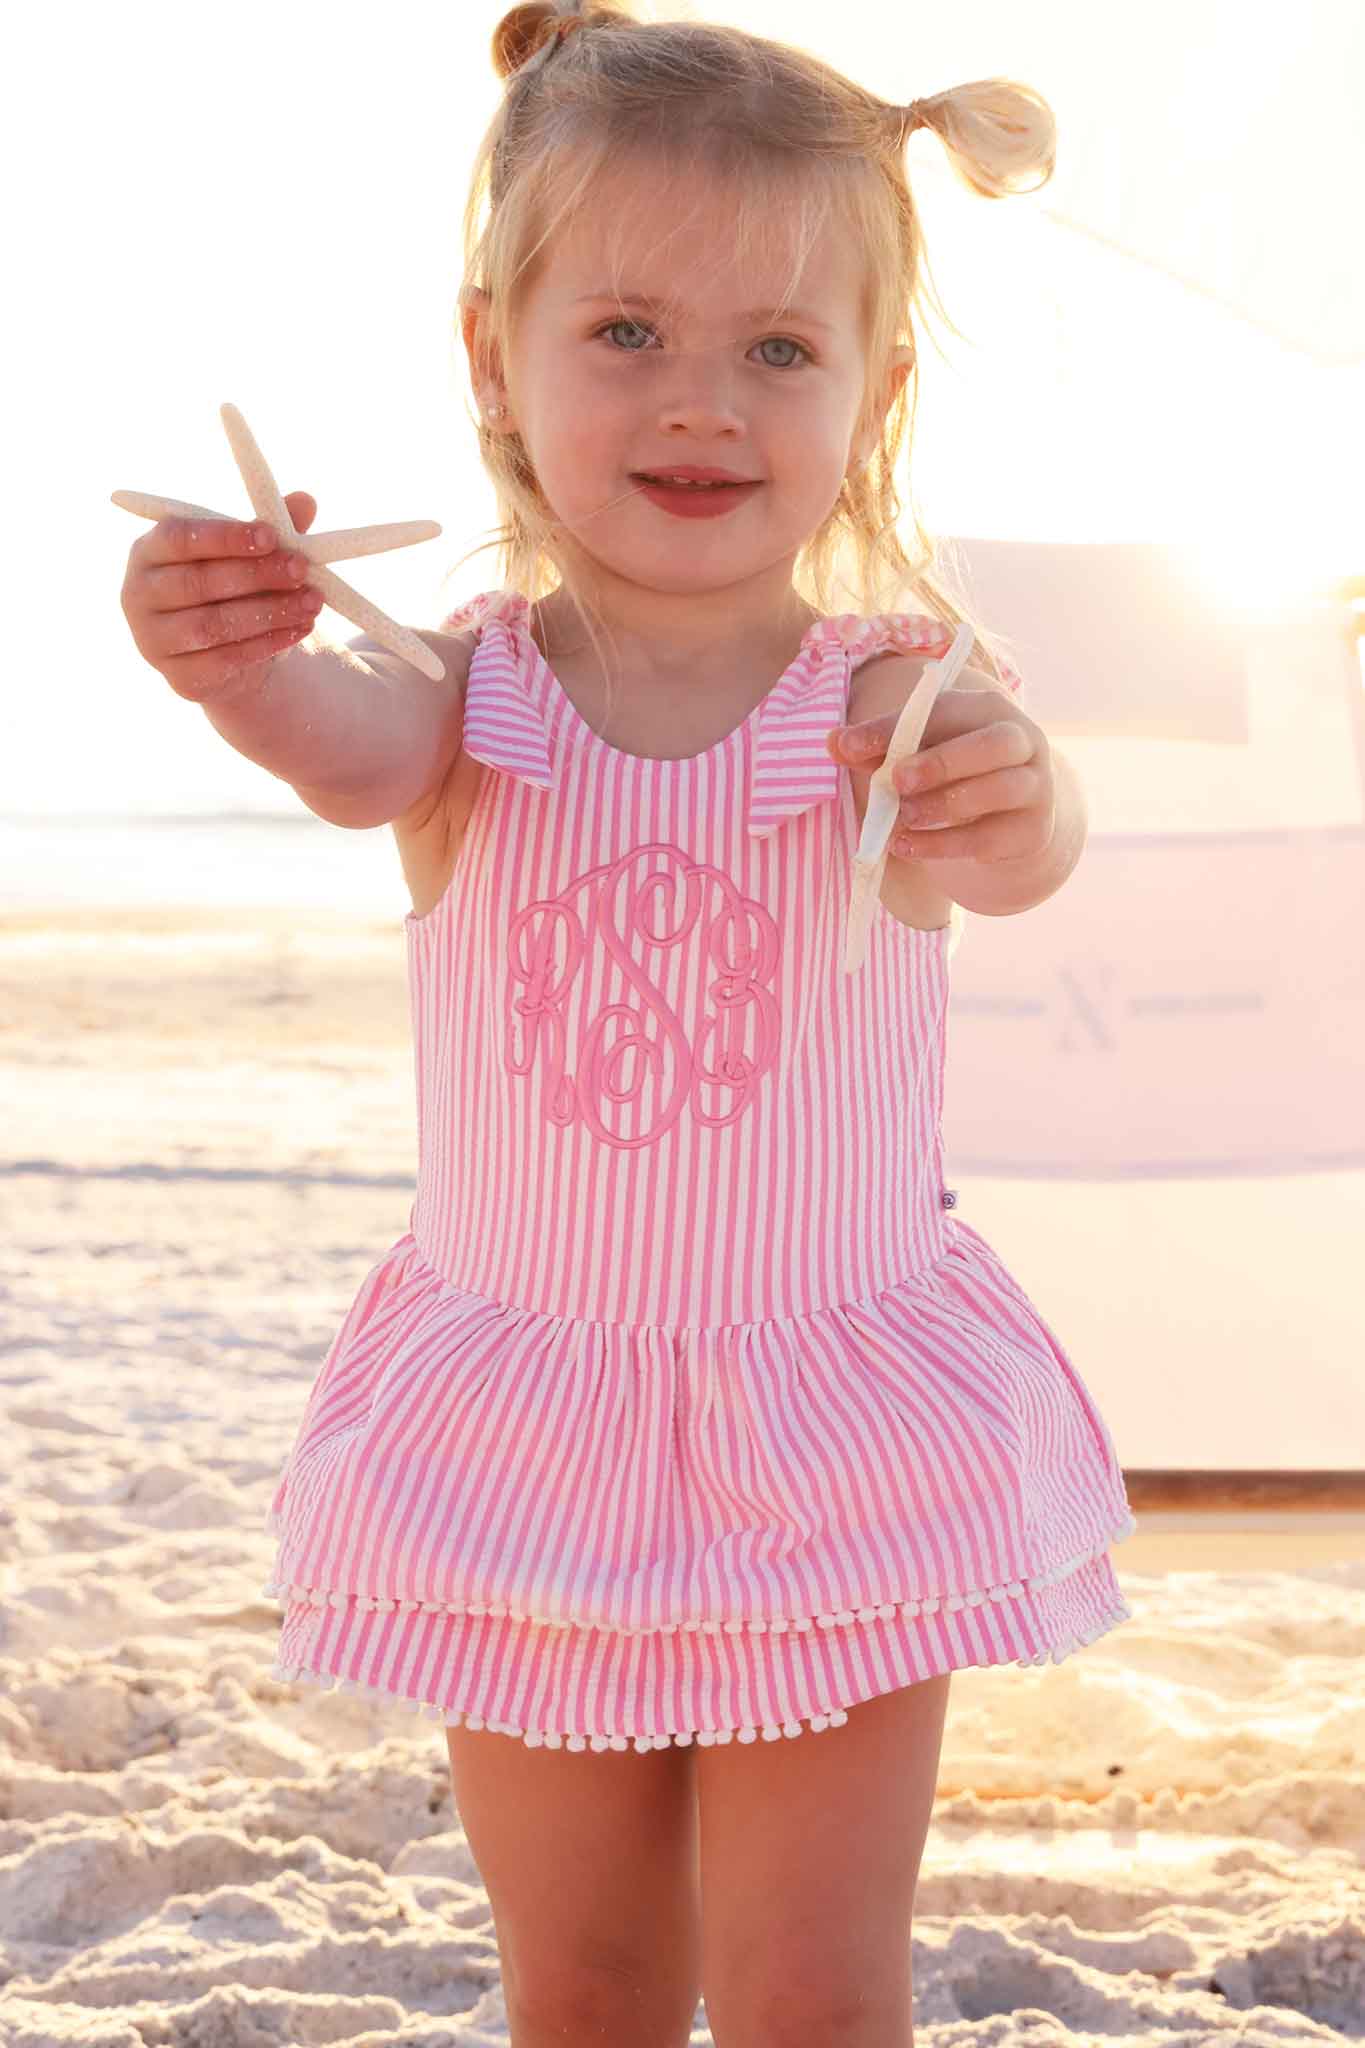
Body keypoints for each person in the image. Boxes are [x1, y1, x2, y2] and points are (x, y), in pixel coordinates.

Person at [119, 5, 1136, 2041]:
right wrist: (227, 652)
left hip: (831, 1432)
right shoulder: (457, 697)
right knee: (578, 1980)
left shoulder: (887, 702)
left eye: (777, 348)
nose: (703, 402)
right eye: (625, 335)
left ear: (874, 390)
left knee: (804, 1980)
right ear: (493, 356)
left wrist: (1019, 797)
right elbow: (333, 739)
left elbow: (1015, 840)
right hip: (529, 1439)